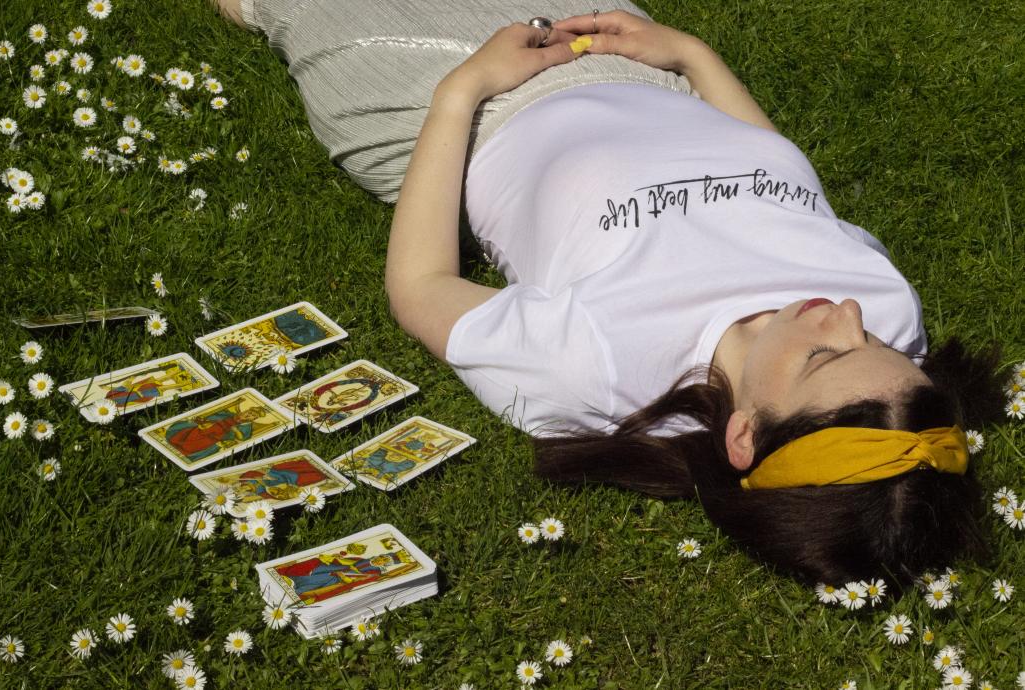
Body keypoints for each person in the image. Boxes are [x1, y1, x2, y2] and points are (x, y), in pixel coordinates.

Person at [213, 0, 1003, 586]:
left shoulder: (598, 367)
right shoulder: (887, 314)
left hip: (455, 101)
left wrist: (462, 88)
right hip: (630, 65)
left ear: (741, 435)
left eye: (826, 354)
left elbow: (419, 288)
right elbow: (784, 187)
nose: (850, 313)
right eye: (877, 345)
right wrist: (693, 58)